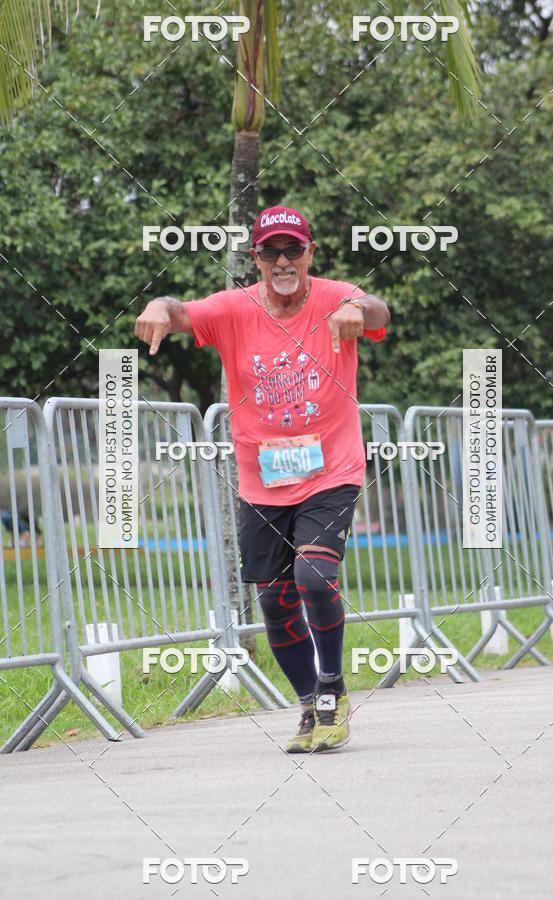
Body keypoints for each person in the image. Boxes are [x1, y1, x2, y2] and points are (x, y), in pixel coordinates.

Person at [135, 205, 390, 752]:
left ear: (309, 254)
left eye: (292, 250)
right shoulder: (234, 309)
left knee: (315, 578)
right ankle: (307, 704)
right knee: (274, 603)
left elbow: (377, 309)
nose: (282, 260)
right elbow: (181, 312)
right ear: (256, 258)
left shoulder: (333, 297)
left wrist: (356, 305)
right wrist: (158, 304)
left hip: (331, 469)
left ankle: (332, 690)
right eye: (270, 250)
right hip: (261, 480)